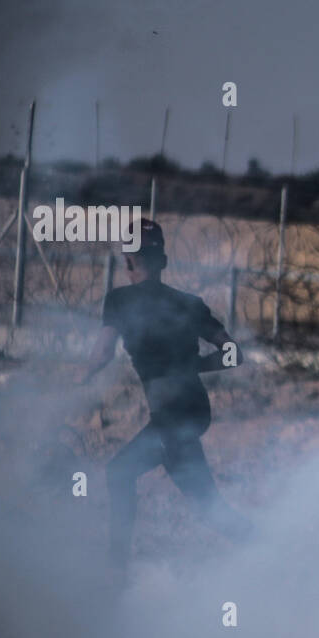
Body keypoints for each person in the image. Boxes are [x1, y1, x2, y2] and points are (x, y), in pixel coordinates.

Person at [77, 218, 252, 571]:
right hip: (193, 411)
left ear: (127, 262)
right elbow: (235, 354)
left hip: (172, 417)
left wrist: (75, 382)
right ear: (164, 262)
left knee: (118, 474)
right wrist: (194, 366)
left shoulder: (120, 300)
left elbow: (103, 354)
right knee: (208, 508)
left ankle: (116, 573)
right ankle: (270, 546)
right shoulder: (188, 303)